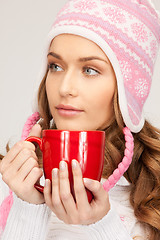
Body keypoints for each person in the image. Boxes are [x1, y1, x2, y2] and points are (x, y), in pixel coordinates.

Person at [0, 0, 160, 239]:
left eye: (90, 70)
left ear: (128, 90)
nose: (65, 88)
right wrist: (28, 208)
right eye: (55, 66)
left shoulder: (151, 197)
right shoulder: (12, 180)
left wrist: (101, 226)